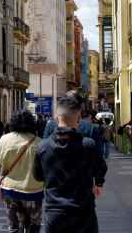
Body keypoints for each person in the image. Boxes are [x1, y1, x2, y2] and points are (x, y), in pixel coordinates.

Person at [34, 96, 108, 233]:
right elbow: (101, 168)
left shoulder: (42, 147)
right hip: (83, 211)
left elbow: (38, 176)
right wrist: (98, 183)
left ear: (56, 117)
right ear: (79, 118)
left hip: (54, 212)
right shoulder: (88, 145)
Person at [0, 110, 43, 233]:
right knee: (34, 224)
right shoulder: (39, 142)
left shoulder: (5, 140)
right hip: (34, 191)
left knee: (13, 225)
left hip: (10, 190)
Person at [43, 91, 103, 156]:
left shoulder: (50, 125)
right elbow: (99, 156)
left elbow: (44, 151)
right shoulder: (91, 129)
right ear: (81, 107)